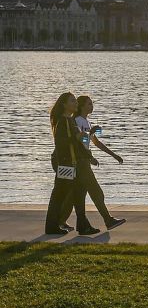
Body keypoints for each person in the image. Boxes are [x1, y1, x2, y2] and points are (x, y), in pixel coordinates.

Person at [58, 96, 125, 231]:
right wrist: (90, 156)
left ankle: (61, 222)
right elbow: (79, 142)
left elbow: (95, 142)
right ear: (82, 106)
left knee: (76, 195)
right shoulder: (77, 121)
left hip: (84, 161)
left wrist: (114, 155)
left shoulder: (86, 122)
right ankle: (108, 220)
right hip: (81, 162)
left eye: (92, 104)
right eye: (89, 104)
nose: (91, 106)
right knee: (96, 192)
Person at [44, 92, 99, 236]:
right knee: (60, 195)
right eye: (72, 101)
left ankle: (80, 225)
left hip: (71, 163)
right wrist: (78, 137)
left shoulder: (69, 120)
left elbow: (79, 143)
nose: (75, 103)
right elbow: (62, 144)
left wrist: (89, 156)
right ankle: (52, 226)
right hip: (65, 164)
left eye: (75, 101)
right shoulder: (63, 121)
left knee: (74, 193)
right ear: (64, 105)